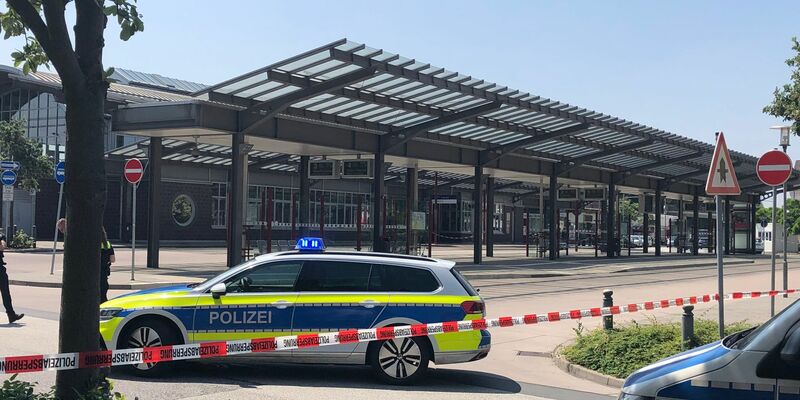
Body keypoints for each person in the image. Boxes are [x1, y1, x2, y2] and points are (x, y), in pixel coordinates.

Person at [0, 232, 23, 323]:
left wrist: (2, 242)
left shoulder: (1, 235)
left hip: (0, 269)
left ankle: (11, 315)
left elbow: (2, 246)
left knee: (5, 292)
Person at [100, 227, 115, 303]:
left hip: (94, 272)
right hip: (104, 271)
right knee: (103, 294)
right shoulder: (108, 244)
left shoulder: (91, 244)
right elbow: (113, 260)